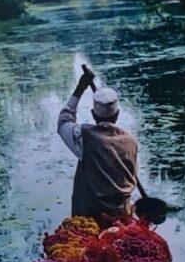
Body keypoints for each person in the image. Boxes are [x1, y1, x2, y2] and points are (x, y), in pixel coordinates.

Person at [57, 64, 141, 224]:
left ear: (93, 114)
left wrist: (80, 88)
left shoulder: (83, 136)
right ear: (117, 114)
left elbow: (63, 121)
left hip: (88, 219)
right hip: (120, 215)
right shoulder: (131, 141)